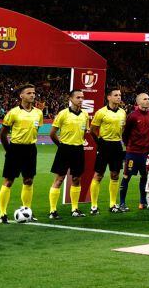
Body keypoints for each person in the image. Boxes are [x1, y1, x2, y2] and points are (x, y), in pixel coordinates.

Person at [0, 83, 41, 222]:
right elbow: (3, 133)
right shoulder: (13, 113)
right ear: (21, 95)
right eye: (29, 93)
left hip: (30, 149)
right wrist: (9, 150)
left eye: (34, 93)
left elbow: (36, 131)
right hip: (15, 148)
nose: (32, 95)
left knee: (28, 180)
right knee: (9, 181)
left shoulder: (38, 113)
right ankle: (2, 213)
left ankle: (27, 210)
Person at [48, 89, 90, 220]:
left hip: (78, 149)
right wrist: (61, 146)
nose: (81, 100)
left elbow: (83, 133)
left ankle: (75, 208)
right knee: (59, 179)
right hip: (64, 149)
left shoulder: (85, 115)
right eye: (78, 97)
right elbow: (52, 133)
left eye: (82, 97)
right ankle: (53, 210)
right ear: (71, 99)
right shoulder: (63, 114)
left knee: (77, 179)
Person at [89, 87, 126, 215]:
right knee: (98, 175)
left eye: (120, 95)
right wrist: (99, 142)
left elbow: (123, 130)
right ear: (108, 97)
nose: (119, 97)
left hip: (117, 145)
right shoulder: (101, 112)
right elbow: (92, 129)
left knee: (115, 174)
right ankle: (94, 206)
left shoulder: (122, 112)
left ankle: (112, 204)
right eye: (116, 95)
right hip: (104, 144)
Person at [118, 92, 149, 211]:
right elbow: (125, 134)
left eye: (148, 98)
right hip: (133, 153)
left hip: (146, 153)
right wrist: (130, 147)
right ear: (138, 102)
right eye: (144, 99)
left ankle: (143, 202)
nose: (147, 100)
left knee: (145, 177)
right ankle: (122, 203)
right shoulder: (132, 116)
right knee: (127, 177)